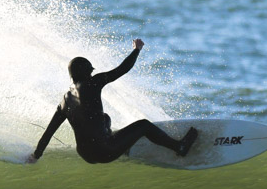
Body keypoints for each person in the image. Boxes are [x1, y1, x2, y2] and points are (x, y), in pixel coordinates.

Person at [27, 39, 198, 164]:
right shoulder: (93, 82)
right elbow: (123, 69)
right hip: (105, 151)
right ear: (88, 72)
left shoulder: (64, 101)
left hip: (86, 155)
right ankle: (179, 147)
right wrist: (137, 49)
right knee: (144, 125)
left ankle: (121, 144)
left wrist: (36, 155)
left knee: (105, 118)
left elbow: (49, 132)